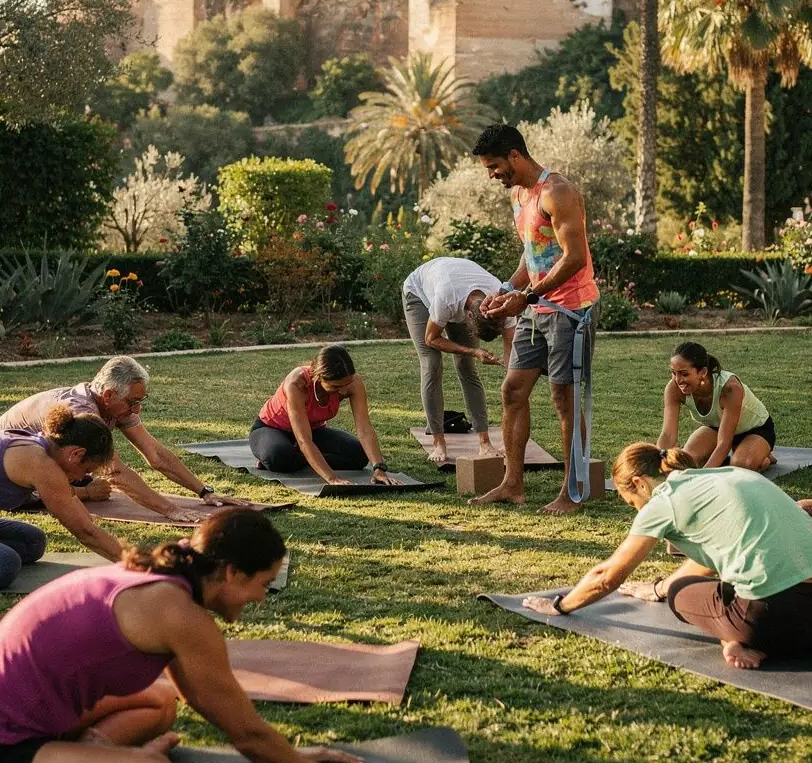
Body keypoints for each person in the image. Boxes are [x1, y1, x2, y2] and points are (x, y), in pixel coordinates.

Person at [0, 508, 423, 763]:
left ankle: (88, 759)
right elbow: (247, 734)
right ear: (232, 573)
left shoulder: (159, 579)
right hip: (4, 749)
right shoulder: (179, 614)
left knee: (160, 701)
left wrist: (287, 756)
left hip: (27, 715)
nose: (262, 598)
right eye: (263, 584)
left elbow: (214, 707)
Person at [524, 444, 812, 671]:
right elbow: (709, 556)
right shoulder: (727, 475)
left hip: (769, 618)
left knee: (680, 592)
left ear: (639, 483)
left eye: (632, 503)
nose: (638, 511)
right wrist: (655, 588)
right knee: (716, 582)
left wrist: (559, 605)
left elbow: (607, 577)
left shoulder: (663, 501)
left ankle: (736, 639)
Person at [471, 124, 600, 512]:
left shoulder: (557, 192)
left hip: (571, 310)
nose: (492, 175)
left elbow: (574, 257)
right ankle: (512, 484)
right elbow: (534, 254)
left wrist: (525, 297)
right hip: (536, 307)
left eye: (495, 166)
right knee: (512, 391)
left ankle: (572, 493)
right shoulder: (518, 195)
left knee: (564, 398)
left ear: (515, 155)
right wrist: (505, 290)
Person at [0, 356, 238, 523]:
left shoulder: (116, 407)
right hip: (8, 471)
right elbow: (115, 472)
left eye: (140, 402)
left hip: (51, 463)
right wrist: (171, 510)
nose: (137, 410)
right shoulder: (82, 412)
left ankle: (80, 490)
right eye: (133, 402)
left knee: (91, 479)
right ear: (108, 395)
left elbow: (155, 454)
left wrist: (204, 491)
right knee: (92, 483)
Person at [402, 256, 515, 464]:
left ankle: (484, 442)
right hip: (419, 292)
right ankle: (438, 442)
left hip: (455, 285)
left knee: (466, 367)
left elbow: (511, 346)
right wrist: (473, 351)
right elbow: (431, 339)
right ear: (470, 318)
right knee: (432, 365)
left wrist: (511, 376)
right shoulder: (447, 299)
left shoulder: (501, 302)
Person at [0, 406, 124, 588]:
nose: (81, 477)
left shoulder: (42, 447)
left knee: (32, 542)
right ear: (76, 454)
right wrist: (141, 566)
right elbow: (86, 533)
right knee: (6, 564)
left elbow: (82, 516)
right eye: (86, 470)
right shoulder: (40, 464)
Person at [249, 346, 398, 487]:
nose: (343, 391)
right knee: (279, 456)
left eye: (346, 384)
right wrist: (332, 478)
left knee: (359, 455)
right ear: (318, 377)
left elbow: (364, 429)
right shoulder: (296, 383)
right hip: (272, 428)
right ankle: (285, 456)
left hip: (314, 430)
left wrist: (379, 468)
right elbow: (304, 440)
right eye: (336, 387)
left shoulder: (353, 383)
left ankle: (300, 458)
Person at [659, 341, 776, 472]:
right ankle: (734, 456)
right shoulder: (673, 389)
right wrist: (658, 465)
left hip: (755, 429)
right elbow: (668, 435)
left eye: (684, 374)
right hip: (717, 427)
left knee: (741, 465)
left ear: (703, 372)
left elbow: (724, 443)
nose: (678, 380)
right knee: (688, 460)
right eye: (674, 373)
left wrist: (702, 476)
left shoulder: (730, 388)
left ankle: (762, 458)